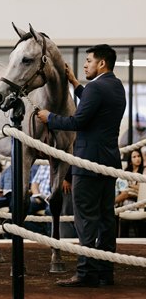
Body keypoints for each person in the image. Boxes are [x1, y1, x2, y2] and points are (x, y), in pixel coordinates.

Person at [38, 44, 126, 288]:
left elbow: (78, 121)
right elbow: (93, 103)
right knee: (106, 220)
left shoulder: (97, 87)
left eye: (88, 60)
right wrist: (75, 83)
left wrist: (49, 118)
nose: (85, 64)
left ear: (101, 64)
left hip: (87, 164)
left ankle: (86, 273)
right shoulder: (115, 86)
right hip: (109, 163)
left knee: (85, 220)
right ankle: (105, 272)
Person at [115, 149, 144, 237]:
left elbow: (142, 189)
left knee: (125, 194)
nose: (137, 159)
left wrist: (131, 187)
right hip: (125, 202)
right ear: (130, 160)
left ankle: (110, 203)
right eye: (134, 157)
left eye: (139, 156)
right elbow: (121, 188)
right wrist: (133, 189)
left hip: (139, 203)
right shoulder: (125, 173)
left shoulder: (143, 172)